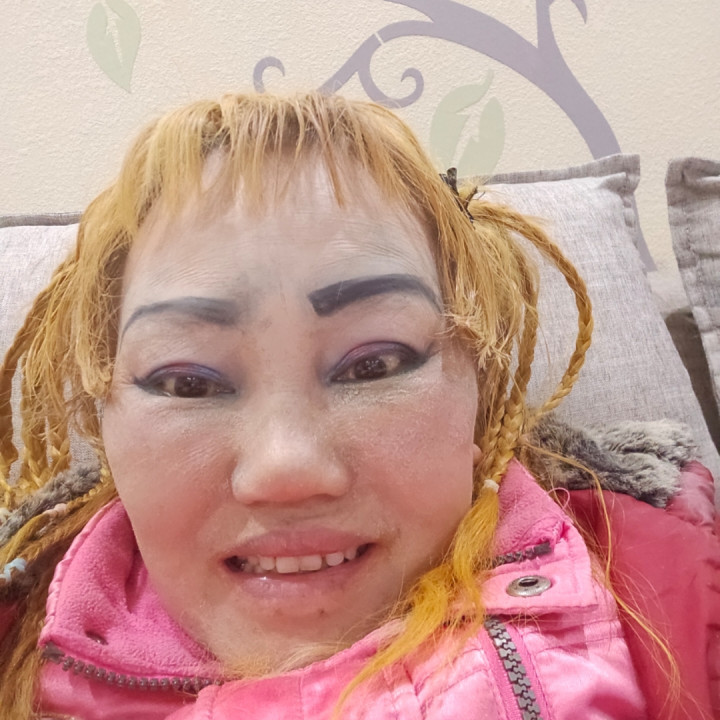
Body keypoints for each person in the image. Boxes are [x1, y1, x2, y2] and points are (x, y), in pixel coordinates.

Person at [0, 91, 717, 720]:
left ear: (480, 395)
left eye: (375, 365)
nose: (287, 469)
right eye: (188, 383)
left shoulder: (677, 591)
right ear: (105, 426)